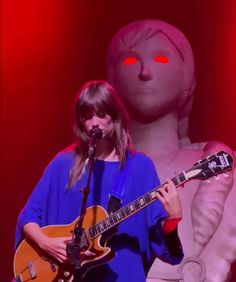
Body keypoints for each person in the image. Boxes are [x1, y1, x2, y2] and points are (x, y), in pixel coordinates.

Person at [15, 80, 184, 282]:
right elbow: (28, 218)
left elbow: (162, 243)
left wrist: (173, 218)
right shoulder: (63, 164)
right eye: (87, 116)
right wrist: (46, 244)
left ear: (115, 118)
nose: (95, 122)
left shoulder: (139, 167)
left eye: (102, 114)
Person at [106, 19, 235, 282]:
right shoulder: (87, 176)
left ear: (189, 81)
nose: (145, 72)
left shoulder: (221, 170)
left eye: (162, 59)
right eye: (130, 61)